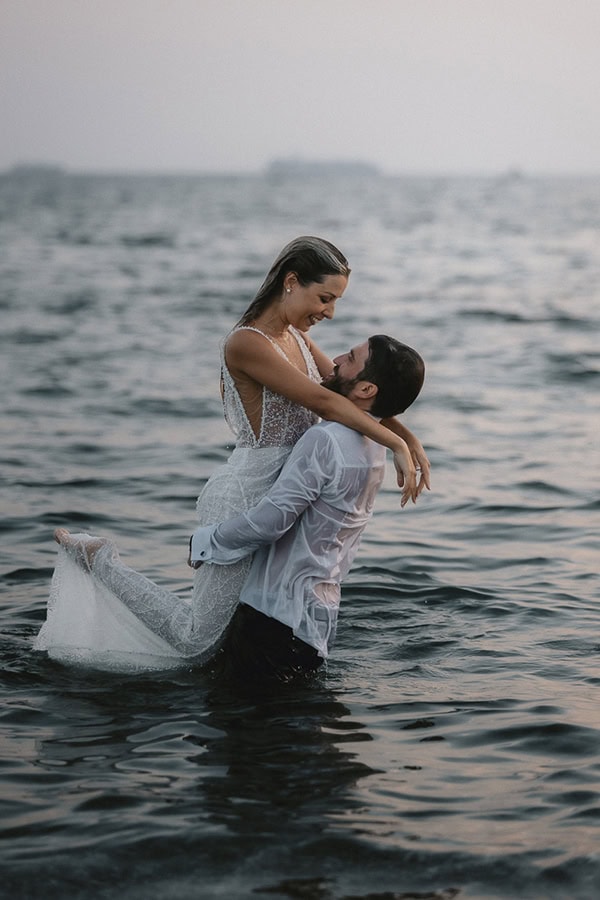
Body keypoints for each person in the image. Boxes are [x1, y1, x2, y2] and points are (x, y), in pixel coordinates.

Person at [35, 237, 429, 669]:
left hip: (284, 501)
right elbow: (325, 404)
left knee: (237, 640)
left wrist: (408, 437)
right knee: (197, 643)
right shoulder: (247, 344)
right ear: (292, 282)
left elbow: (343, 390)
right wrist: (395, 443)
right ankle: (99, 559)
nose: (329, 312)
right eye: (325, 298)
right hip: (244, 499)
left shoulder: (296, 339)